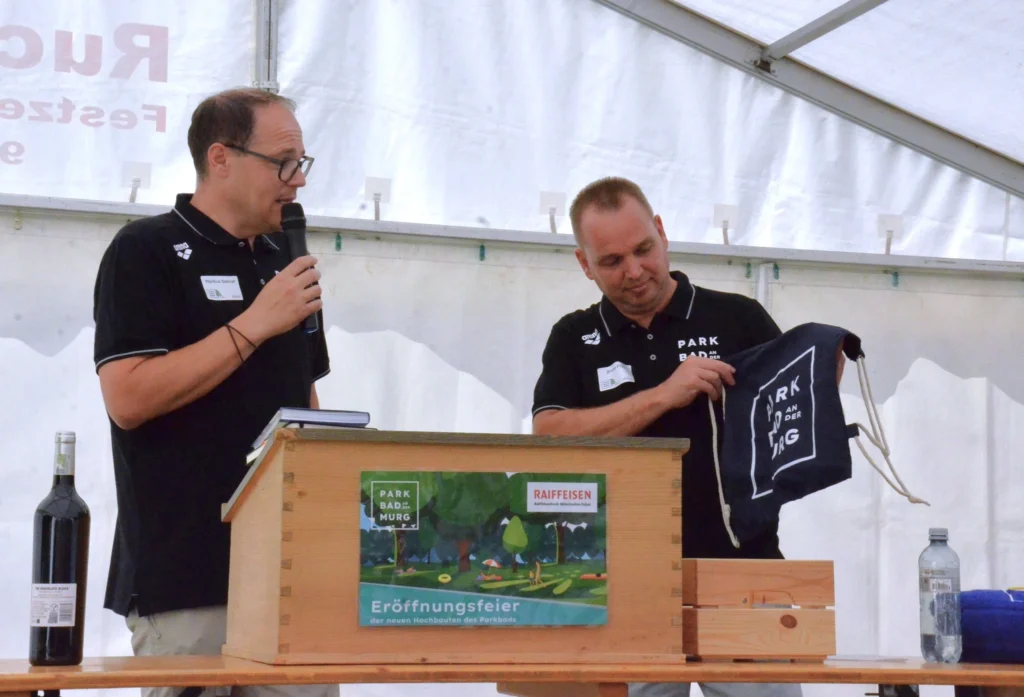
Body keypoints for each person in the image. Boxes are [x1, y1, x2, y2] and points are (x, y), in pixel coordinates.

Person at [92, 88, 337, 697]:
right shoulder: (144, 249)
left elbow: (301, 403)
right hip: (186, 578)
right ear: (221, 158)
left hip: (285, 577)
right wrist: (255, 323)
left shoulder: (286, 260)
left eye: (302, 164)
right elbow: (127, 398)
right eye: (284, 162)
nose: (297, 181)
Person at [531, 176, 800, 697]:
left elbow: (795, 415)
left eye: (643, 250)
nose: (634, 272)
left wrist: (822, 373)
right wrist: (663, 395)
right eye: (611, 262)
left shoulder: (737, 316)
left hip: (745, 573)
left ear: (661, 232)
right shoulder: (573, 336)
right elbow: (549, 434)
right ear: (584, 264)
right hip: (626, 585)